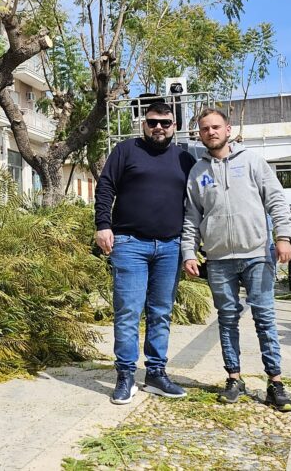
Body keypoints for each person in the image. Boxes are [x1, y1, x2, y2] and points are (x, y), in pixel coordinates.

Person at [181, 108, 291, 412]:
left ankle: (275, 383)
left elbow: (276, 200)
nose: (211, 133)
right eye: (205, 129)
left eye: (216, 127)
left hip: (257, 254)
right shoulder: (198, 172)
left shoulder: (252, 161)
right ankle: (234, 378)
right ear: (200, 134)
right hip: (219, 259)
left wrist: (283, 237)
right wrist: (189, 252)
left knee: (264, 318)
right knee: (227, 319)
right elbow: (191, 217)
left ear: (228, 129)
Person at [95, 100, 196, 405]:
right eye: (153, 122)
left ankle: (155, 373)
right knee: (128, 312)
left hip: (170, 246)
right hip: (129, 244)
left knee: (161, 313)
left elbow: (199, 200)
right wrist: (103, 224)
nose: (158, 128)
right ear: (143, 123)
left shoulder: (185, 160)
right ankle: (125, 375)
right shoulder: (126, 150)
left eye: (165, 123)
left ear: (174, 126)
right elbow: (105, 187)